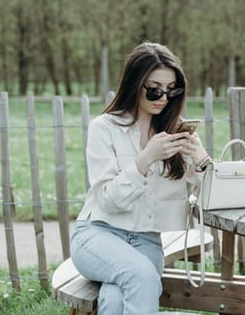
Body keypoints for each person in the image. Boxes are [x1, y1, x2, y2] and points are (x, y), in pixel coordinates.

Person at [70, 42, 210, 314]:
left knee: (113, 299)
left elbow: (210, 200)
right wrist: (146, 158)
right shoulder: (105, 128)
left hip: (147, 240)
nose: (163, 97)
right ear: (135, 84)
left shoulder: (179, 133)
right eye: (155, 89)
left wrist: (202, 161)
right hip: (98, 233)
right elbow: (109, 201)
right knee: (141, 276)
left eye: (172, 90)